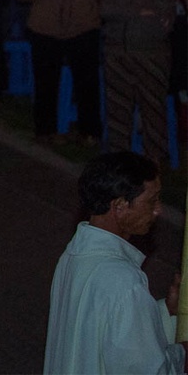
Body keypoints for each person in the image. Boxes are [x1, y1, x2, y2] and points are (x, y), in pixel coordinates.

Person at [44, 152, 184, 373]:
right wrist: (182, 353)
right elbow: (147, 369)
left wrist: (168, 310)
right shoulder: (124, 281)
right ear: (119, 205)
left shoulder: (73, 255)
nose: (158, 210)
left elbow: (103, 332)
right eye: (151, 201)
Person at [17, 0, 108, 144]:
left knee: (86, 81)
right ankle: (45, 130)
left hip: (83, 25)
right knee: (46, 81)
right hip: (45, 26)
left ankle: (89, 131)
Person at [100, 0, 179, 162]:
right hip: (117, 52)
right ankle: (118, 160)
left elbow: (165, 9)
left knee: (152, 109)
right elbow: (105, 9)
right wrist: (135, 12)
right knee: (118, 108)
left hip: (150, 53)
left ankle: (154, 161)